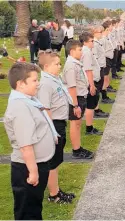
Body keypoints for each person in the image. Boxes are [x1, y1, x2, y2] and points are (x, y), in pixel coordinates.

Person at [4, 62, 56, 219]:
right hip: (28, 167)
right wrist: (33, 172)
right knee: (28, 212)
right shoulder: (20, 107)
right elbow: (26, 145)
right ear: (20, 84)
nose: (38, 83)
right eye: (34, 80)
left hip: (36, 164)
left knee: (34, 207)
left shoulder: (28, 100)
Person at [37, 50, 75, 204]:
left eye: (60, 63)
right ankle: (54, 195)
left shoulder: (54, 79)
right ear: (46, 66)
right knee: (53, 162)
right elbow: (46, 109)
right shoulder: (46, 84)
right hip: (53, 125)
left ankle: (56, 189)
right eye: (57, 64)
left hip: (60, 122)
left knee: (57, 160)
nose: (60, 66)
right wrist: (52, 131)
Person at [62, 39, 94, 159]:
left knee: (78, 123)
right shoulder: (70, 65)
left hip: (80, 97)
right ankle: (76, 150)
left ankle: (78, 147)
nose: (82, 52)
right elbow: (71, 87)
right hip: (75, 99)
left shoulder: (75, 63)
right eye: (79, 50)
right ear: (71, 51)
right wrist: (75, 105)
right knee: (75, 124)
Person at [79, 32, 105, 136]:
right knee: (90, 106)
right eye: (91, 41)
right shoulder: (86, 52)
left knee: (92, 104)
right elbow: (88, 70)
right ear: (85, 42)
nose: (93, 43)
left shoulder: (87, 51)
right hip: (91, 81)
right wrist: (92, 85)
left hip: (93, 80)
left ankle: (90, 127)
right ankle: (89, 128)